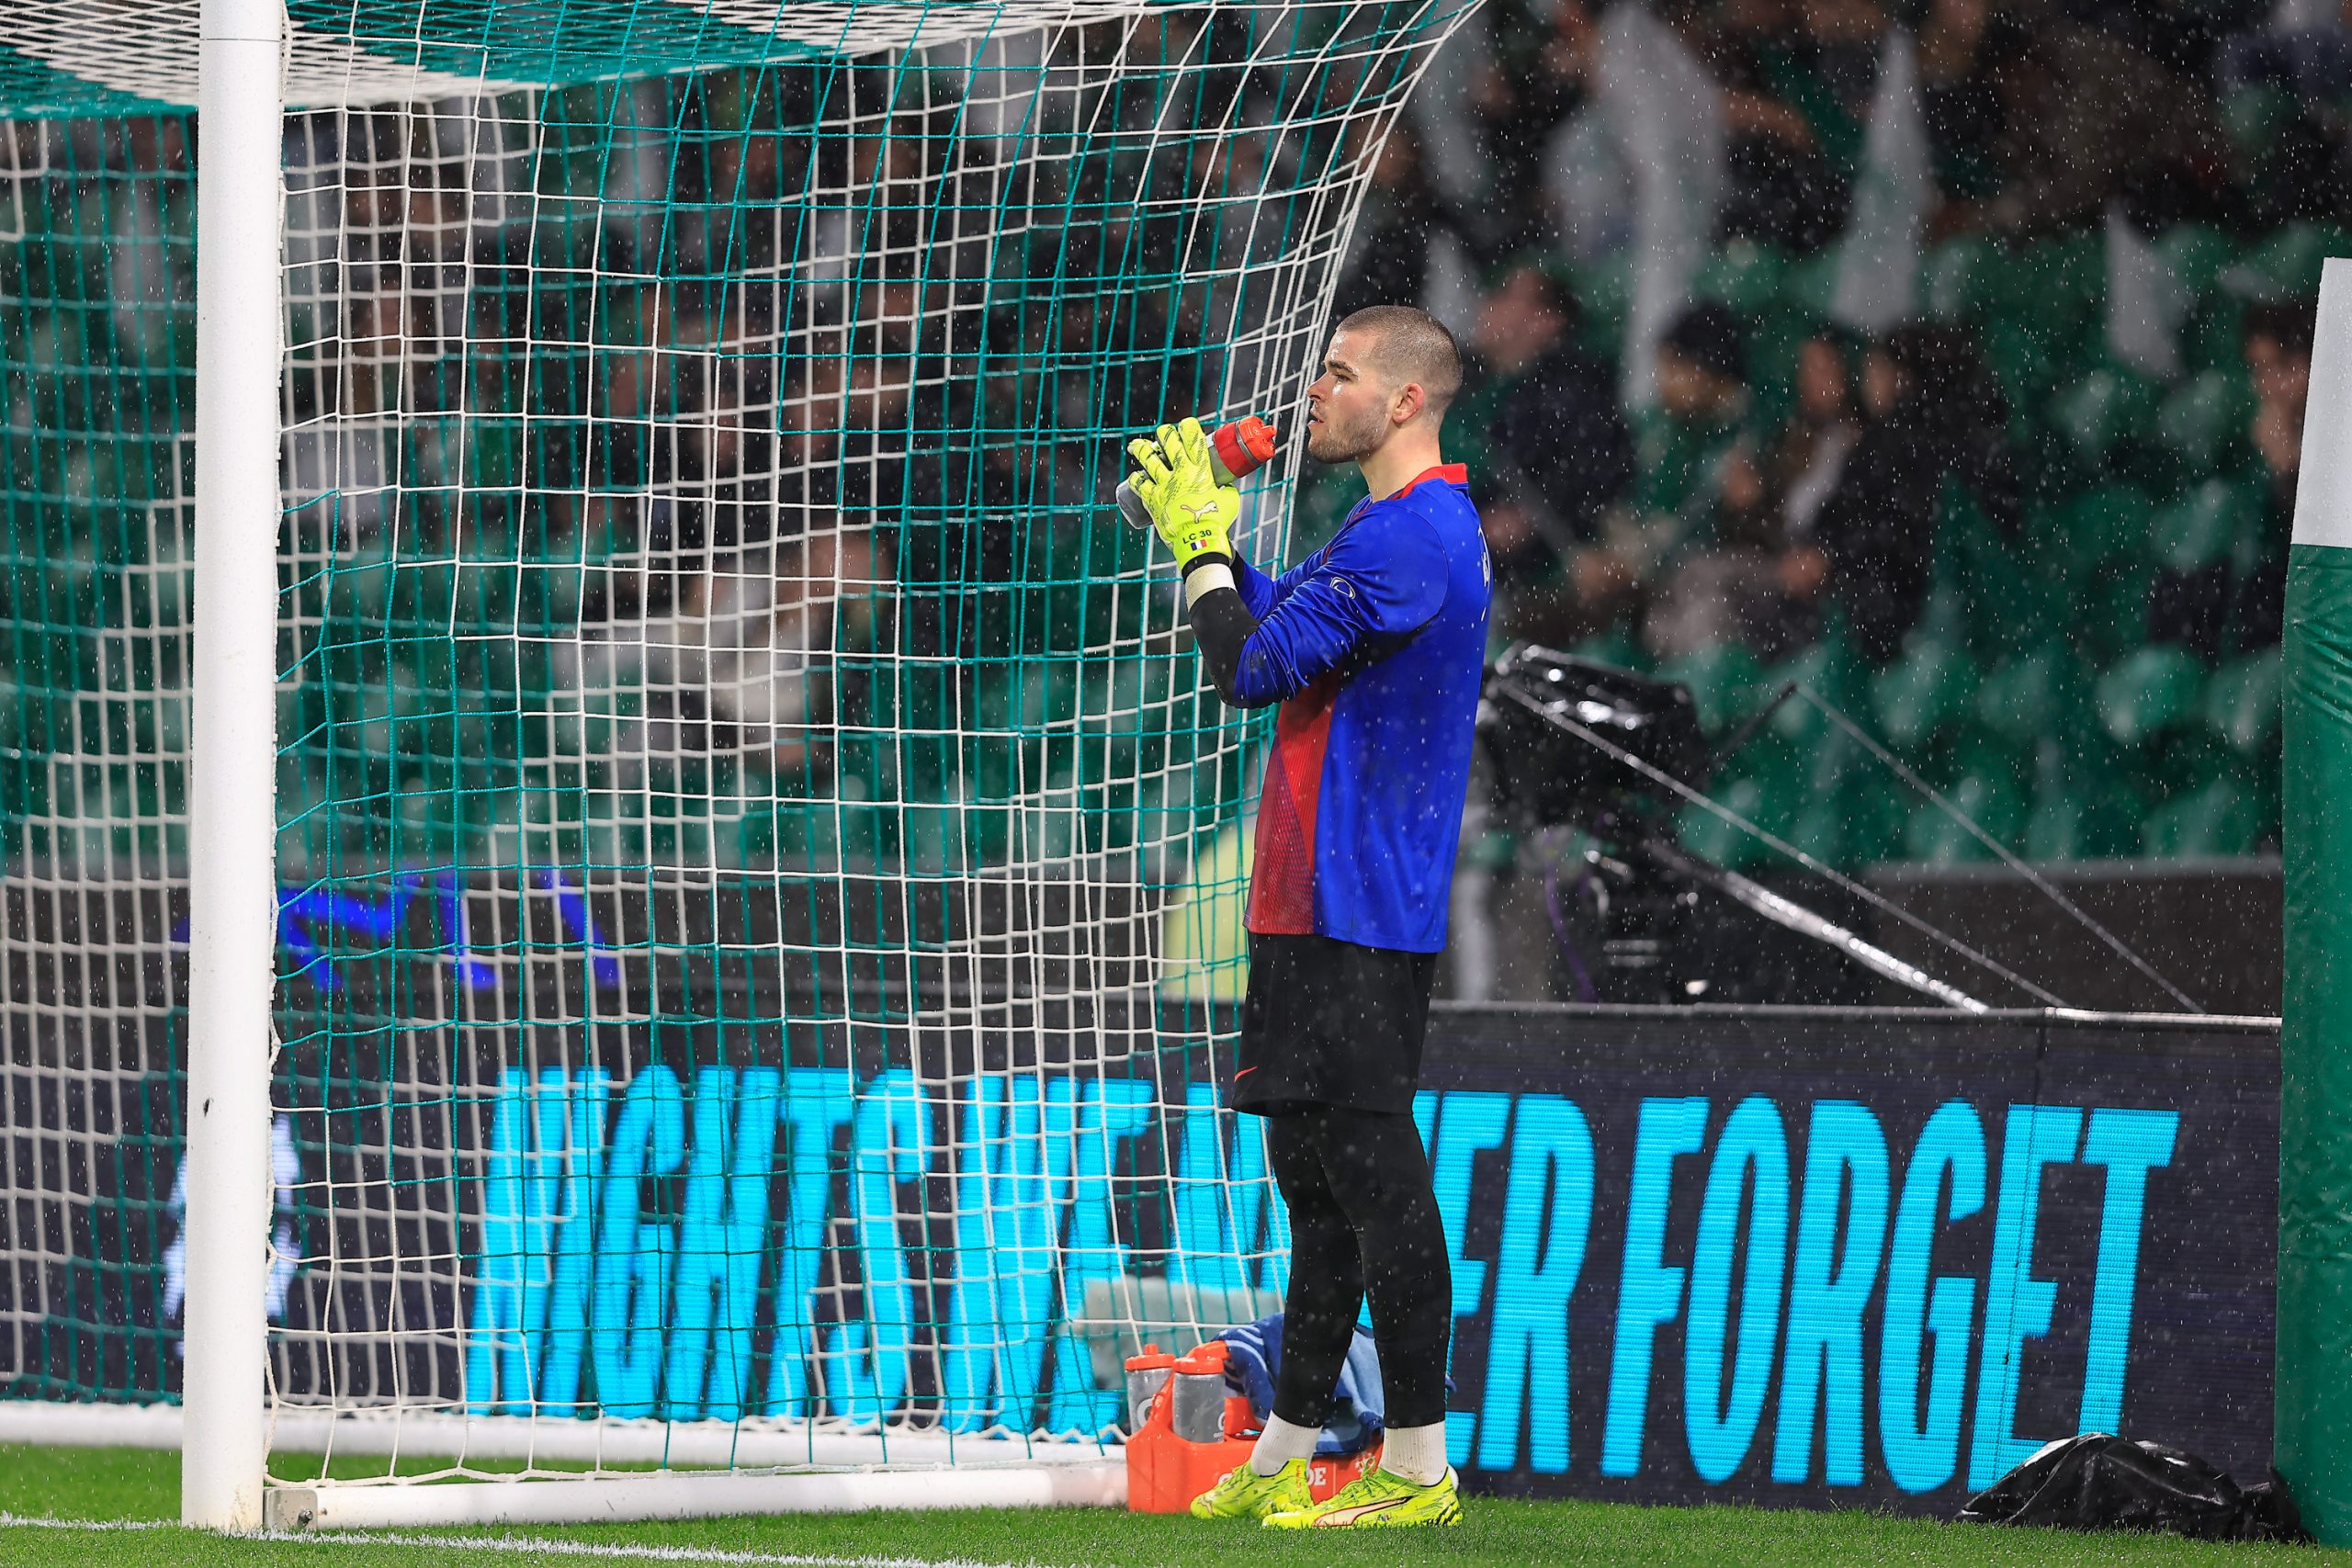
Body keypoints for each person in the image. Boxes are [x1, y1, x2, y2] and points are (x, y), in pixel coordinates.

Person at [1123, 305, 1490, 1530]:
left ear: (1406, 401)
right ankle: (1286, 1448)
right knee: (1317, 1187)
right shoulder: (1385, 529)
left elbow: (1250, 668)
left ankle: (1420, 1470)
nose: (1315, 390)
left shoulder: (1418, 534)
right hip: (1308, 902)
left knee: (1379, 1182)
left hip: (1359, 909)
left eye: (1340, 373)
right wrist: (1216, 549)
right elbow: (1285, 627)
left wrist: (1202, 549)